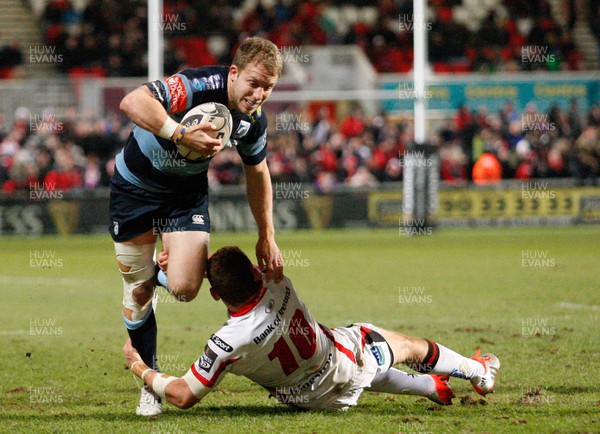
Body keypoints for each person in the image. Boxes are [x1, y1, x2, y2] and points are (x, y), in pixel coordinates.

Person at [111, 37, 285, 416]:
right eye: (253, 83)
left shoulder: (253, 120)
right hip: (134, 190)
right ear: (234, 73)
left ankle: (156, 275)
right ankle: (150, 382)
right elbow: (131, 102)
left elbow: (257, 172)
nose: (258, 95)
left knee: (186, 288)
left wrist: (266, 235)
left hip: (184, 196)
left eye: (268, 88)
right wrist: (177, 132)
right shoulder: (196, 85)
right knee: (137, 293)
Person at [123, 246, 500, 412]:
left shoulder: (226, 343)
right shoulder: (277, 279)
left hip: (306, 401)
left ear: (214, 294)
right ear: (256, 271)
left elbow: (183, 396)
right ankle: (479, 373)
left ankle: (428, 387)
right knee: (407, 346)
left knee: (356, 363)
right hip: (345, 363)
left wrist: (141, 367)